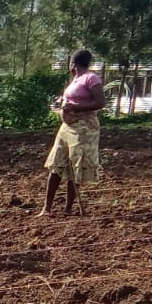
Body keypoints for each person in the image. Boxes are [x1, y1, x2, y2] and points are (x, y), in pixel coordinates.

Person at [41, 48, 106, 216]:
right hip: (67, 128)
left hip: (84, 128)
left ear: (73, 64)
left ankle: (68, 208)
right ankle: (46, 208)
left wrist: (76, 108)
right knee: (57, 163)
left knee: (74, 167)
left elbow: (100, 102)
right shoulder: (76, 80)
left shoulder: (91, 78)